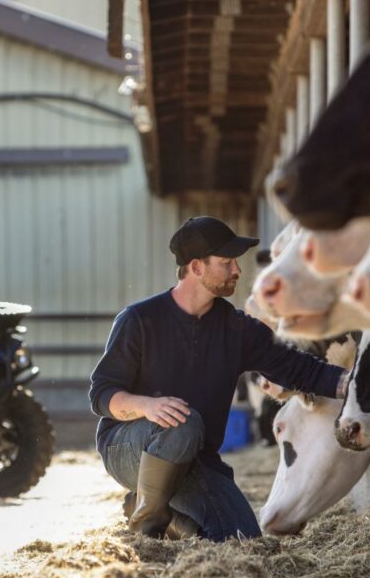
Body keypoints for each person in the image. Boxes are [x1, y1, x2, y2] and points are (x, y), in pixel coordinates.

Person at [89, 216, 349, 541]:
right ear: (196, 268)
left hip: (196, 455)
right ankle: (147, 525)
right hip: (129, 447)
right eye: (226, 262)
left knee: (241, 539)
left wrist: (352, 385)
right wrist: (146, 406)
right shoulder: (139, 320)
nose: (237, 270)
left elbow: (298, 369)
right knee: (182, 423)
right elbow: (101, 394)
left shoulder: (237, 329)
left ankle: (163, 511)